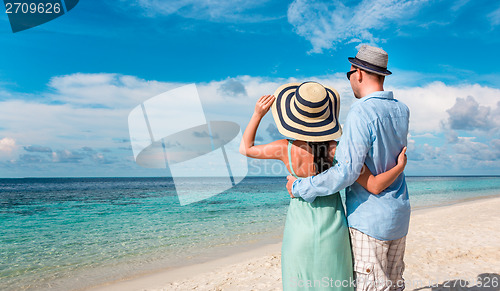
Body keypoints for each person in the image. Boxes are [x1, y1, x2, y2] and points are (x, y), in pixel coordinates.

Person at [240, 81, 407, 290]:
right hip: (333, 229)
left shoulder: (284, 148)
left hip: (299, 231)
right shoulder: (336, 150)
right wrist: (399, 167)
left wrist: (257, 113)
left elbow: (246, 148)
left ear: (293, 116)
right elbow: (373, 184)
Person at [286, 46, 410, 291]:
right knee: (395, 284)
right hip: (399, 214)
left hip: (369, 220)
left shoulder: (361, 111)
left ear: (359, 73)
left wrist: (300, 186)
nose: (350, 78)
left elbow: (346, 172)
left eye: (349, 73)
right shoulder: (402, 110)